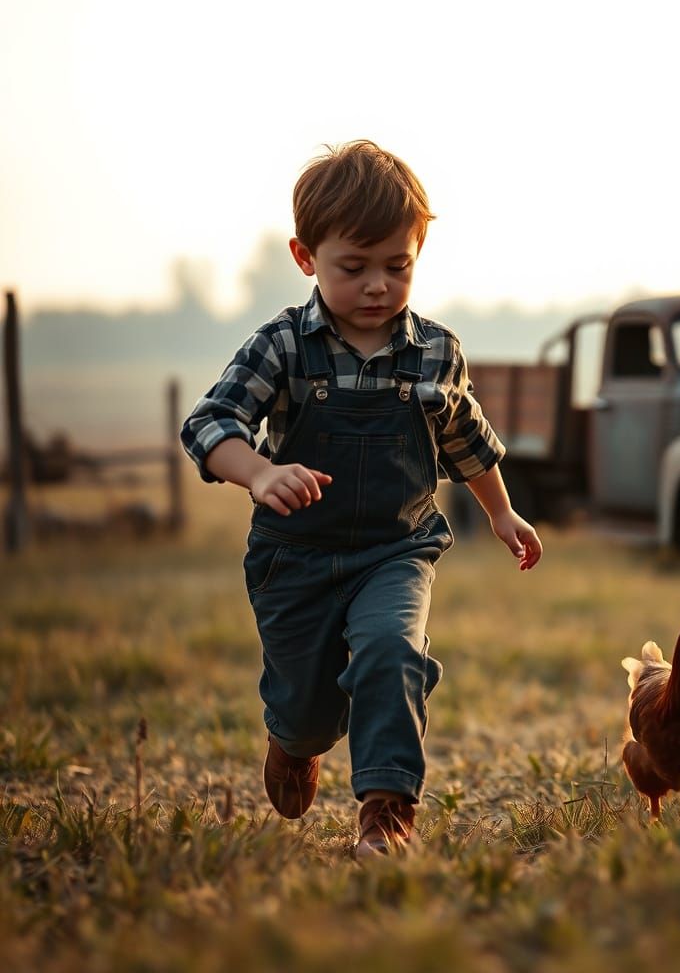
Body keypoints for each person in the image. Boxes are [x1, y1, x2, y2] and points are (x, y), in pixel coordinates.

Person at [180, 140, 542, 857]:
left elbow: (467, 436)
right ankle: (295, 742)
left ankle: (386, 808)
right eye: (354, 267)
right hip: (296, 557)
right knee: (307, 707)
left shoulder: (436, 352)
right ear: (305, 256)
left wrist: (500, 511)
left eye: (397, 266)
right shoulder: (283, 346)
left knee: (391, 650)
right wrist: (256, 472)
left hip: (395, 550)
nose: (377, 284)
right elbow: (208, 424)